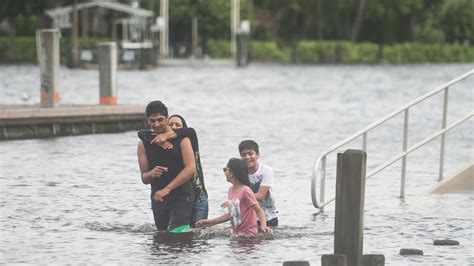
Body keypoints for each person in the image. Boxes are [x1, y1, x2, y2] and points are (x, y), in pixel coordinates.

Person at [136, 100, 196, 233]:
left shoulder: (182, 139)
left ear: (167, 119)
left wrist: (168, 188)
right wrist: (151, 174)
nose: (156, 124)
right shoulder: (143, 144)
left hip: (182, 195)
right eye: (152, 121)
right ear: (147, 121)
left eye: (160, 120)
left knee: (176, 234)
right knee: (162, 238)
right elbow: (144, 178)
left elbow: (191, 169)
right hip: (158, 197)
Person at [144, 114, 209, 228]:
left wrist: (166, 135)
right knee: (178, 231)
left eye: (178, 125)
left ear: (183, 128)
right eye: (171, 124)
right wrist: (161, 139)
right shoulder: (166, 145)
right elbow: (142, 134)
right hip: (182, 195)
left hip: (198, 196)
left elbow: (191, 131)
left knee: (198, 233)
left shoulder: (188, 139)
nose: (174, 126)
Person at [195, 158, 272, 237]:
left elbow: (259, 211)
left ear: (231, 173)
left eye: (225, 170)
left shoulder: (246, 190)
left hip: (249, 235)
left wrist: (263, 226)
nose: (224, 172)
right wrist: (212, 222)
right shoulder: (231, 190)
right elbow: (234, 214)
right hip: (236, 234)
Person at [238, 140, 279, 227]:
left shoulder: (266, 171)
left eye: (250, 153)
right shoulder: (239, 173)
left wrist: (237, 198)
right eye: (243, 155)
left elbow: (260, 195)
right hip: (248, 217)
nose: (247, 157)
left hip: (269, 217)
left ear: (257, 155)